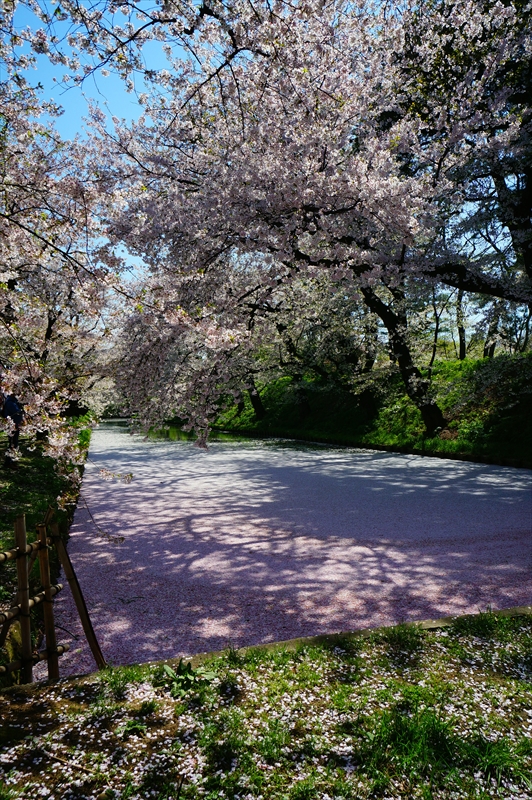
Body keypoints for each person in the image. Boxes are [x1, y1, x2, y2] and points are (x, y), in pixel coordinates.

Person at [1, 388, 24, 468]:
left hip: (14, 425)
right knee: (13, 443)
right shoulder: (10, 402)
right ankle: (10, 461)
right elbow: (17, 411)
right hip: (12, 426)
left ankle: (10, 461)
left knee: (13, 443)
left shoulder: (12, 401)